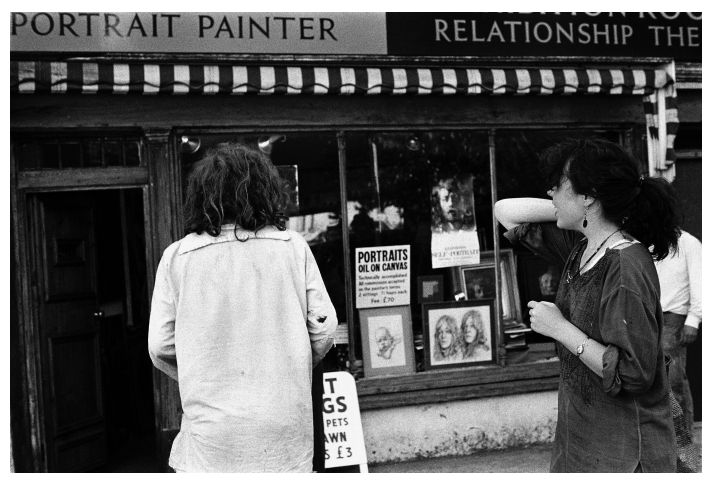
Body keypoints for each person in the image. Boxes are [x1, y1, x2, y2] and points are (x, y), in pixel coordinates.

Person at [147, 142, 337, 472]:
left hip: (212, 435)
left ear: (201, 196)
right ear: (265, 191)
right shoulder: (292, 248)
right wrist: (292, 364)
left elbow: (159, 346)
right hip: (284, 430)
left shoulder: (177, 258)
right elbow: (324, 330)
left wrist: (200, 370)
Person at [494, 138, 679, 472]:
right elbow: (505, 211)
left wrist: (560, 329)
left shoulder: (625, 266)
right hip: (580, 443)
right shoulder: (582, 246)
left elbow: (633, 374)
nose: (550, 191)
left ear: (589, 195)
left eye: (559, 185)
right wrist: (571, 208)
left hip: (625, 454)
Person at [654, 230, 701, 433]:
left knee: (673, 381)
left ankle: (683, 445)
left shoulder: (688, 243)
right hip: (646, 316)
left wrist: (694, 319)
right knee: (650, 380)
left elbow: (701, 283)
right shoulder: (643, 242)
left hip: (673, 319)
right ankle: (664, 441)